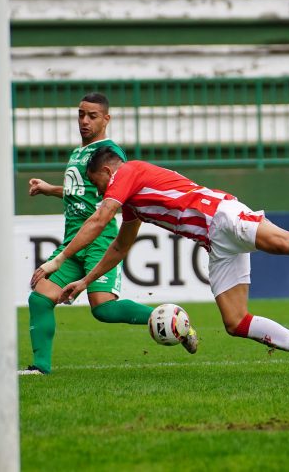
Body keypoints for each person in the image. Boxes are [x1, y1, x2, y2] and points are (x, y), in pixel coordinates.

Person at [29, 148, 289, 377]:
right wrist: (84, 281)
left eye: (98, 184)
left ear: (109, 172)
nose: (100, 192)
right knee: (235, 322)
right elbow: (118, 248)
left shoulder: (127, 173)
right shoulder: (131, 203)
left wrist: (57, 261)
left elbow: (98, 220)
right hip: (215, 243)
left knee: (283, 243)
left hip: (220, 215)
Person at [18, 93, 190, 376]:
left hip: (98, 241)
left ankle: (168, 319)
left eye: (92, 116)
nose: (84, 121)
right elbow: (81, 193)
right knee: (39, 298)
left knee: (103, 310)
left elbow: (112, 198)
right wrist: (50, 189)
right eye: (81, 114)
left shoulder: (111, 153)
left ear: (106, 119)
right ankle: (40, 368)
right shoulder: (77, 153)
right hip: (73, 240)